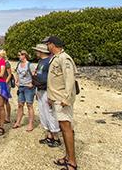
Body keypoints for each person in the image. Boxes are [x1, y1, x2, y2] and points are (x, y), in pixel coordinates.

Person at [46, 36, 78, 170]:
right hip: (57, 98)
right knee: (63, 128)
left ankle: (72, 162)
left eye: (48, 44)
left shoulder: (64, 58)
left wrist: (66, 98)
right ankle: (67, 156)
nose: (47, 47)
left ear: (52, 45)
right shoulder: (57, 57)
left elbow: (70, 79)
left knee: (66, 128)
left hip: (62, 99)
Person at [32, 43, 61, 147]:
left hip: (47, 90)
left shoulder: (50, 61)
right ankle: (49, 135)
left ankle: (56, 137)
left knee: (50, 113)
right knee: (43, 113)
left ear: (41, 51)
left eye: (37, 51)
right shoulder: (41, 61)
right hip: (40, 90)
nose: (35, 52)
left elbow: (52, 78)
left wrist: (51, 94)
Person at [13, 50, 37, 131]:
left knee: (29, 105)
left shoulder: (30, 65)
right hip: (21, 87)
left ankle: (30, 124)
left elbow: (35, 76)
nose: (18, 56)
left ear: (24, 55)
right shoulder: (18, 64)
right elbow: (17, 72)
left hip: (29, 88)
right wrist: (16, 81)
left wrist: (32, 84)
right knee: (20, 104)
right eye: (18, 55)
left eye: (20, 55)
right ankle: (18, 122)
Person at [0, 49, 13, 124]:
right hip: (0, 83)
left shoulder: (6, 63)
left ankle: (8, 117)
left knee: (6, 100)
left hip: (6, 84)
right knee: (1, 101)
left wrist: (5, 83)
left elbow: (10, 75)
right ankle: (3, 116)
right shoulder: (0, 63)